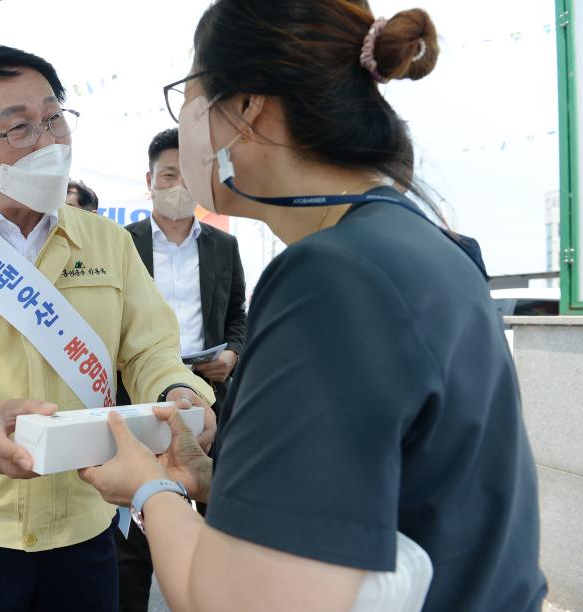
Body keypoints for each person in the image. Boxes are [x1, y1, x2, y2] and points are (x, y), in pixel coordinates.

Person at [81, 2, 547, 612]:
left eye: (188, 95)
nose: (186, 125)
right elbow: (372, 502)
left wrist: (152, 489)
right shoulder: (414, 243)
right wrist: (215, 481)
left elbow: (240, 599)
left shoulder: (332, 276)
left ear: (248, 108)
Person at [0, 45, 216, 612]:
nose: (49, 142)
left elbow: (151, 347)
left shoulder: (108, 242)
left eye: (55, 119)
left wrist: (178, 395)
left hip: (86, 514)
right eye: (20, 129)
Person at [115, 127, 246, 612]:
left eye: (187, 174)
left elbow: (237, 314)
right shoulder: (120, 243)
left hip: (208, 392)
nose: (178, 185)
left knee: (219, 521)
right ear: (149, 179)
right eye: (168, 174)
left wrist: (232, 352)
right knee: (134, 529)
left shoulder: (221, 245)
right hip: (141, 394)